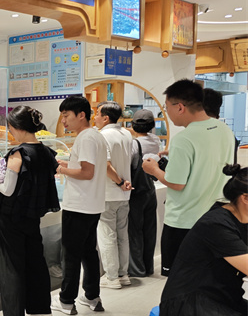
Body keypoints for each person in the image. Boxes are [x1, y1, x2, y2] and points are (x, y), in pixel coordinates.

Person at [159, 163, 248, 316]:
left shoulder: (242, 218)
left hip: (223, 296)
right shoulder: (217, 223)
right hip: (190, 302)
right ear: (245, 198)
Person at [143, 79, 236, 276]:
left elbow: (177, 183)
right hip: (217, 216)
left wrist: (153, 170)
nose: (166, 112)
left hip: (184, 220)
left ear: (180, 107)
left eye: (167, 107)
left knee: (179, 279)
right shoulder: (224, 130)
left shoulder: (184, 139)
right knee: (207, 276)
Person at [0, 106, 60, 316]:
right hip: (32, 216)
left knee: (11, 264)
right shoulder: (46, 151)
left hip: (12, 216)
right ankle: (42, 311)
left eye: (10, 127)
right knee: (35, 261)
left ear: (15, 127)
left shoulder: (18, 153)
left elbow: (8, 190)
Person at [51, 95, 109, 315]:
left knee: (71, 255)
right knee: (88, 252)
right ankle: (92, 296)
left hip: (79, 206)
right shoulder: (95, 136)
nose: (63, 120)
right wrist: (68, 164)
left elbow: (87, 172)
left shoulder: (85, 138)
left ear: (81, 115)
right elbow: (89, 167)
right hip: (92, 204)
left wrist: (61, 169)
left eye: (66, 115)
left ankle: (66, 300)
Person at [94, 102, 134, 290]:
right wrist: (123, 182)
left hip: (108, 192)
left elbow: (106, 165)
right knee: (122, 236)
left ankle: (111, 277)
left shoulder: (102, 136)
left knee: (107, 235)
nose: (94, 117)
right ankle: (123, 274)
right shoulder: (127, 133)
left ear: (105, 118)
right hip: (124, 194)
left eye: (97, 113)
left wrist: (118, 181)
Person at [128, 109, 160, 277]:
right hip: (150, 188)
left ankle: (137, 269)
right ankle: (148, 267)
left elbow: (130, 164)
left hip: (136, 192)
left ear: (133, 125)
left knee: (134, 231)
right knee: (149, 230)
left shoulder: (134, 144)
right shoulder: (155, 140)